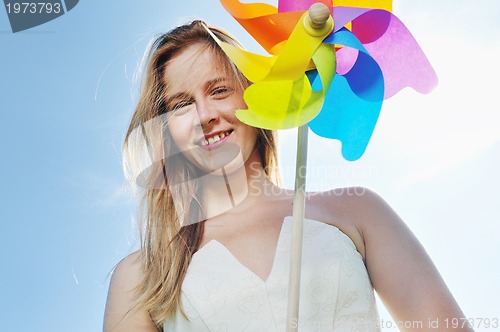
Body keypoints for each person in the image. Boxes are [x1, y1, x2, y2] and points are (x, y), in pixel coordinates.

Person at [103, 20, 472, 331]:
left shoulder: (358, 211)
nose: (204, 114)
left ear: (255, 96)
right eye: (182, 104)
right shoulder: (142, 274)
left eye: (219, 90)